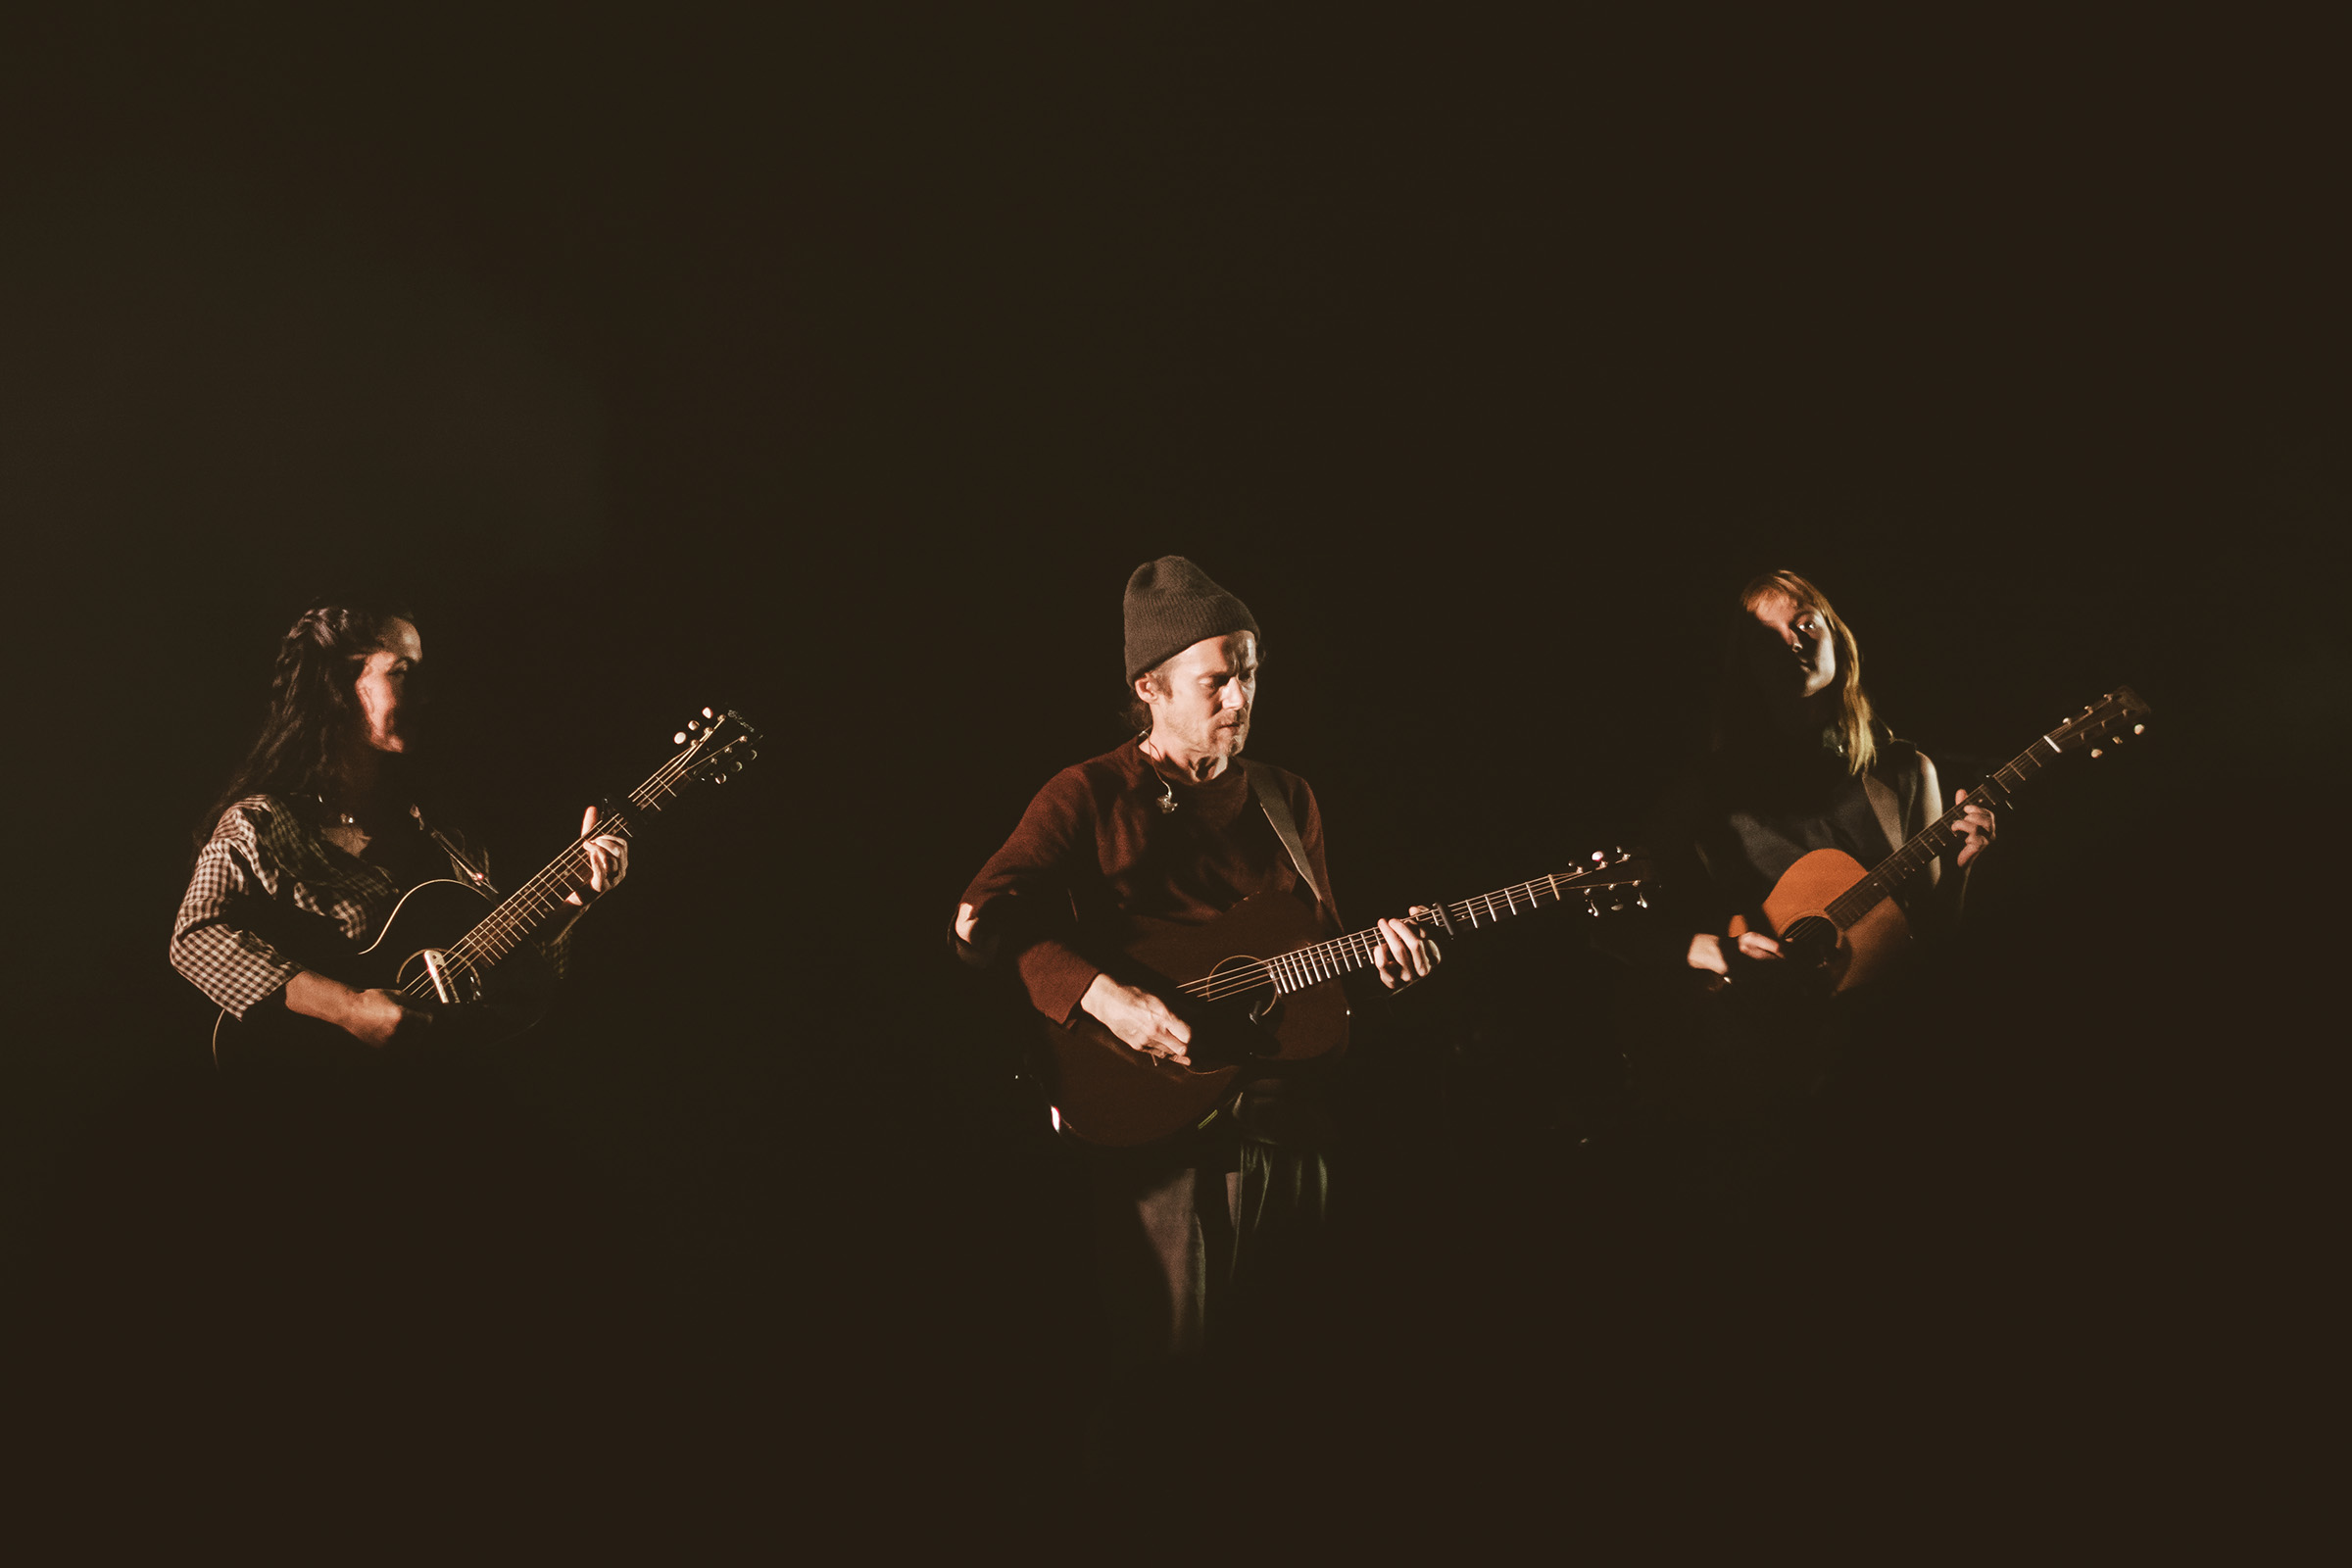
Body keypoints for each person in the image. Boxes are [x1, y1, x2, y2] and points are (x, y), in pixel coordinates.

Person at [954, 557, 1440, 1407]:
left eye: (1251, 676)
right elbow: (982, 920)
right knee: (1169, 1394)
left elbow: (1314, 964)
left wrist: (1386, 965)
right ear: (1151, 686)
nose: (1241, 700)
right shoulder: (1089, 794)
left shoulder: (1288, 799)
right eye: (1217, 681)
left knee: (1296, 1378)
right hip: (1162, 1136)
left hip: (1288, 1126)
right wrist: (1104, 995)